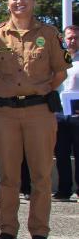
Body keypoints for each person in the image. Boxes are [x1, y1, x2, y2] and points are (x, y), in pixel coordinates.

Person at [0, 0, 71, 239]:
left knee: (41, 175)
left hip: (39, 111)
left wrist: (41, 89)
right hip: (6, 112)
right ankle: (7, 230)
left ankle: (39, 232)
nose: (18, 2)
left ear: (33, 1)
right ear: (7, 2)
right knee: (8, 176)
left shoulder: (49, 33)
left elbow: (60, 71)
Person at [53, 25, 79, 201]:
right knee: (61, 154)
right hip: (59, 113)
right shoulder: (56, 59)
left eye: (76, 37)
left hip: (77, 114)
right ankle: (64, 189)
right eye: (70, 37)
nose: (73, 40)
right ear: (63, 39)